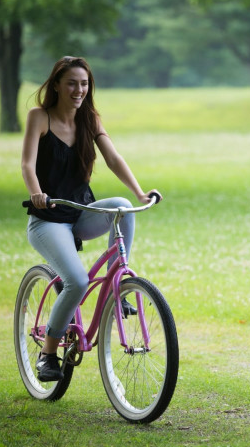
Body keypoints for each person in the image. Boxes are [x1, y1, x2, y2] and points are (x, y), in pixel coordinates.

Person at [21, 56, 161, 382]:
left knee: (122, 206)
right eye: (71, 83)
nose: (78, 90)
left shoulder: (90, 119)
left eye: (84, 84)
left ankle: (117, 288)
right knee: (78, 281)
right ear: (56, 84)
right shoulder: (39, 117)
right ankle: (47, 354)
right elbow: (27, 164)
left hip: (82, 213)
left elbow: (113, 157)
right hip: (49, 219)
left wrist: (140, 194)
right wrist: (37, 191)